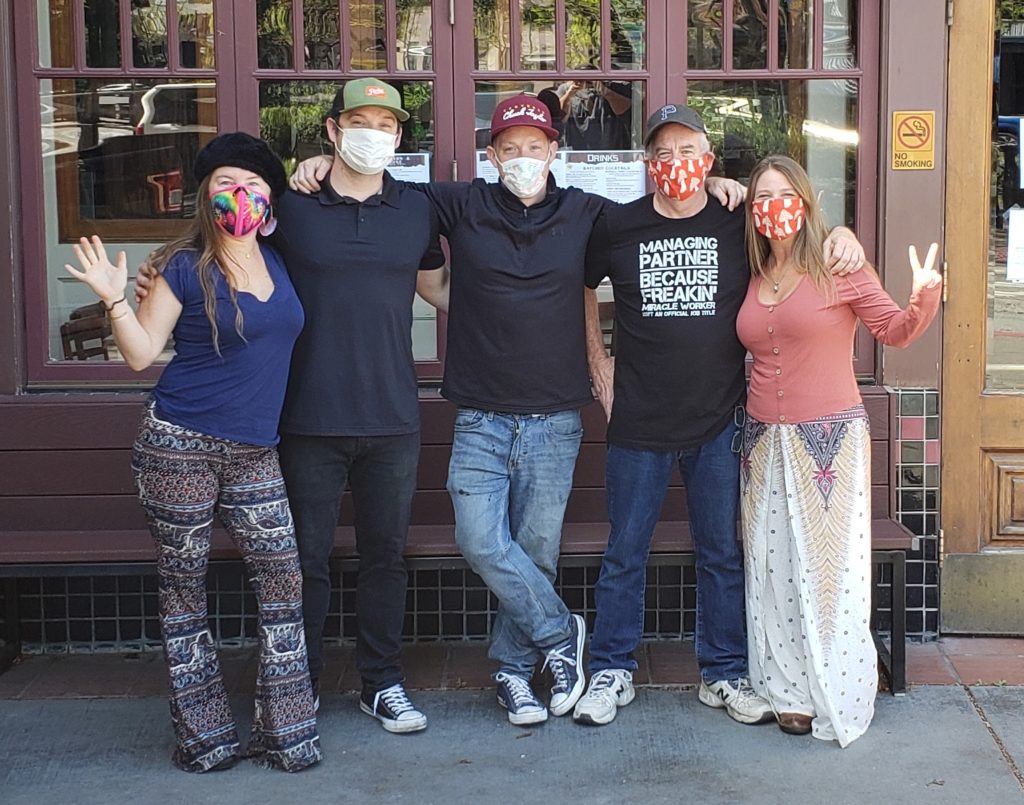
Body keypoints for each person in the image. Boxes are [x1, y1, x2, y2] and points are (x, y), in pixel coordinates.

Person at [288, 94, 747, 727]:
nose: (524, 158)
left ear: (555, 151)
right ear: (492, 155)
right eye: (510, 149)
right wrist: (318, 164)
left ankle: (511, 671)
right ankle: (562, 634)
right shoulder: (460, 202)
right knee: (480, 538)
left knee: (535, 554)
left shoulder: (591, 213)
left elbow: (663, 216)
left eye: (536, 147)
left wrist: (722, 181)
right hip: (479, 414)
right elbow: (379, 185)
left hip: (558, 418)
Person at [137, 79, 446, 735]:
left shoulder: (417, 210)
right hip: (304, 420)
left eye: (385, 125)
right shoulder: (292, 208)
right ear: (331, 131)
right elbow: (226, 246)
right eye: (358, 121)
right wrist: (155, 277)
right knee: (302, 565)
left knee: (385, 558)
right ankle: (293, 688)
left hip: (392, 416)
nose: (373, 134)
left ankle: (381, 682)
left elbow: (439, 287)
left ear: (399, 137)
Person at [574, 105, 866, 728]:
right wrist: (599, 365)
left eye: (689, 152)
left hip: (719, 420)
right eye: (664, 153)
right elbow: (582, 286)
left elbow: (793, 242)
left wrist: (844, 235)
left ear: (708, 160)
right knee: (626, 550)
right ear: (648, 165)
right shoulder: (617, 224)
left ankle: (725, 673)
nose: (676, 164)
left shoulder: (734, 220)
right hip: (638, 422)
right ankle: (610, 668)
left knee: (721, 551)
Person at [66, 132, 321, 772]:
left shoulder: (281, 257)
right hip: (179, 445)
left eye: (256, 182)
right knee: (184, 589)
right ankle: (204, 736)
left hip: (255, 452)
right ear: (205, 195)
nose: (243, 193)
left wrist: (316, 163)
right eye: (227, 181)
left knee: (284, 579)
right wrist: (114, 298)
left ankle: (285, 730)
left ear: (270, 197)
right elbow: (140, 355)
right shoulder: (182, 265)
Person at [736, 155, 940, 745]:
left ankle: (837, 691)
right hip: (760, 442)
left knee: (828, 572)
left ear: (803, 201)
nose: (773, 207)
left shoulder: (838, 264)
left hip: (827, 442)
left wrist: (924, 294)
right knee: (772, 570)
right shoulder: (751, 271)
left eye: (783, 195)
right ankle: (789, 693)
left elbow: (896, 330)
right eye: (761, 197)